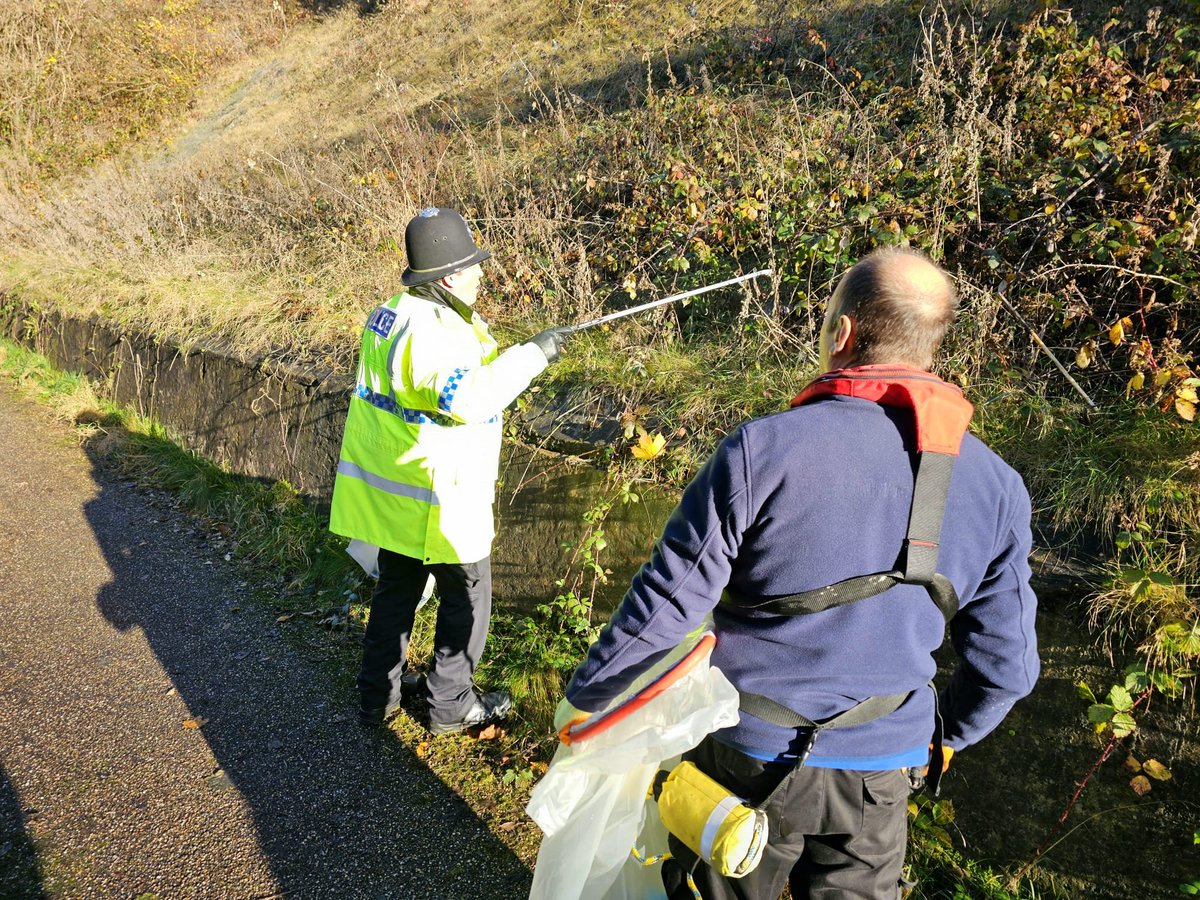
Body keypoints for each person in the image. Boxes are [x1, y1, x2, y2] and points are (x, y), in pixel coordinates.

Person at [555, 246, 1040, 898]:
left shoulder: (764, 450)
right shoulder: (997, 486)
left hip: (744, 760)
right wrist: (939, 737)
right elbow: (1008, 668)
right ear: (929, 346)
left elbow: (666, 604)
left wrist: (587, 701)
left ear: (841, 334)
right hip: (883, 770)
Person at [330, 206, 567, 734]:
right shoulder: (432, 332)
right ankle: (449, 705)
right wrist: (534, 355)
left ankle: (378, 696)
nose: (482, 272)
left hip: (399, 490)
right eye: (473, 264)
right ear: (448, 275)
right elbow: (470, 398)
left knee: (395, 594)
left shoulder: (393, 312)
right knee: (467, 599)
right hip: (440, 497)